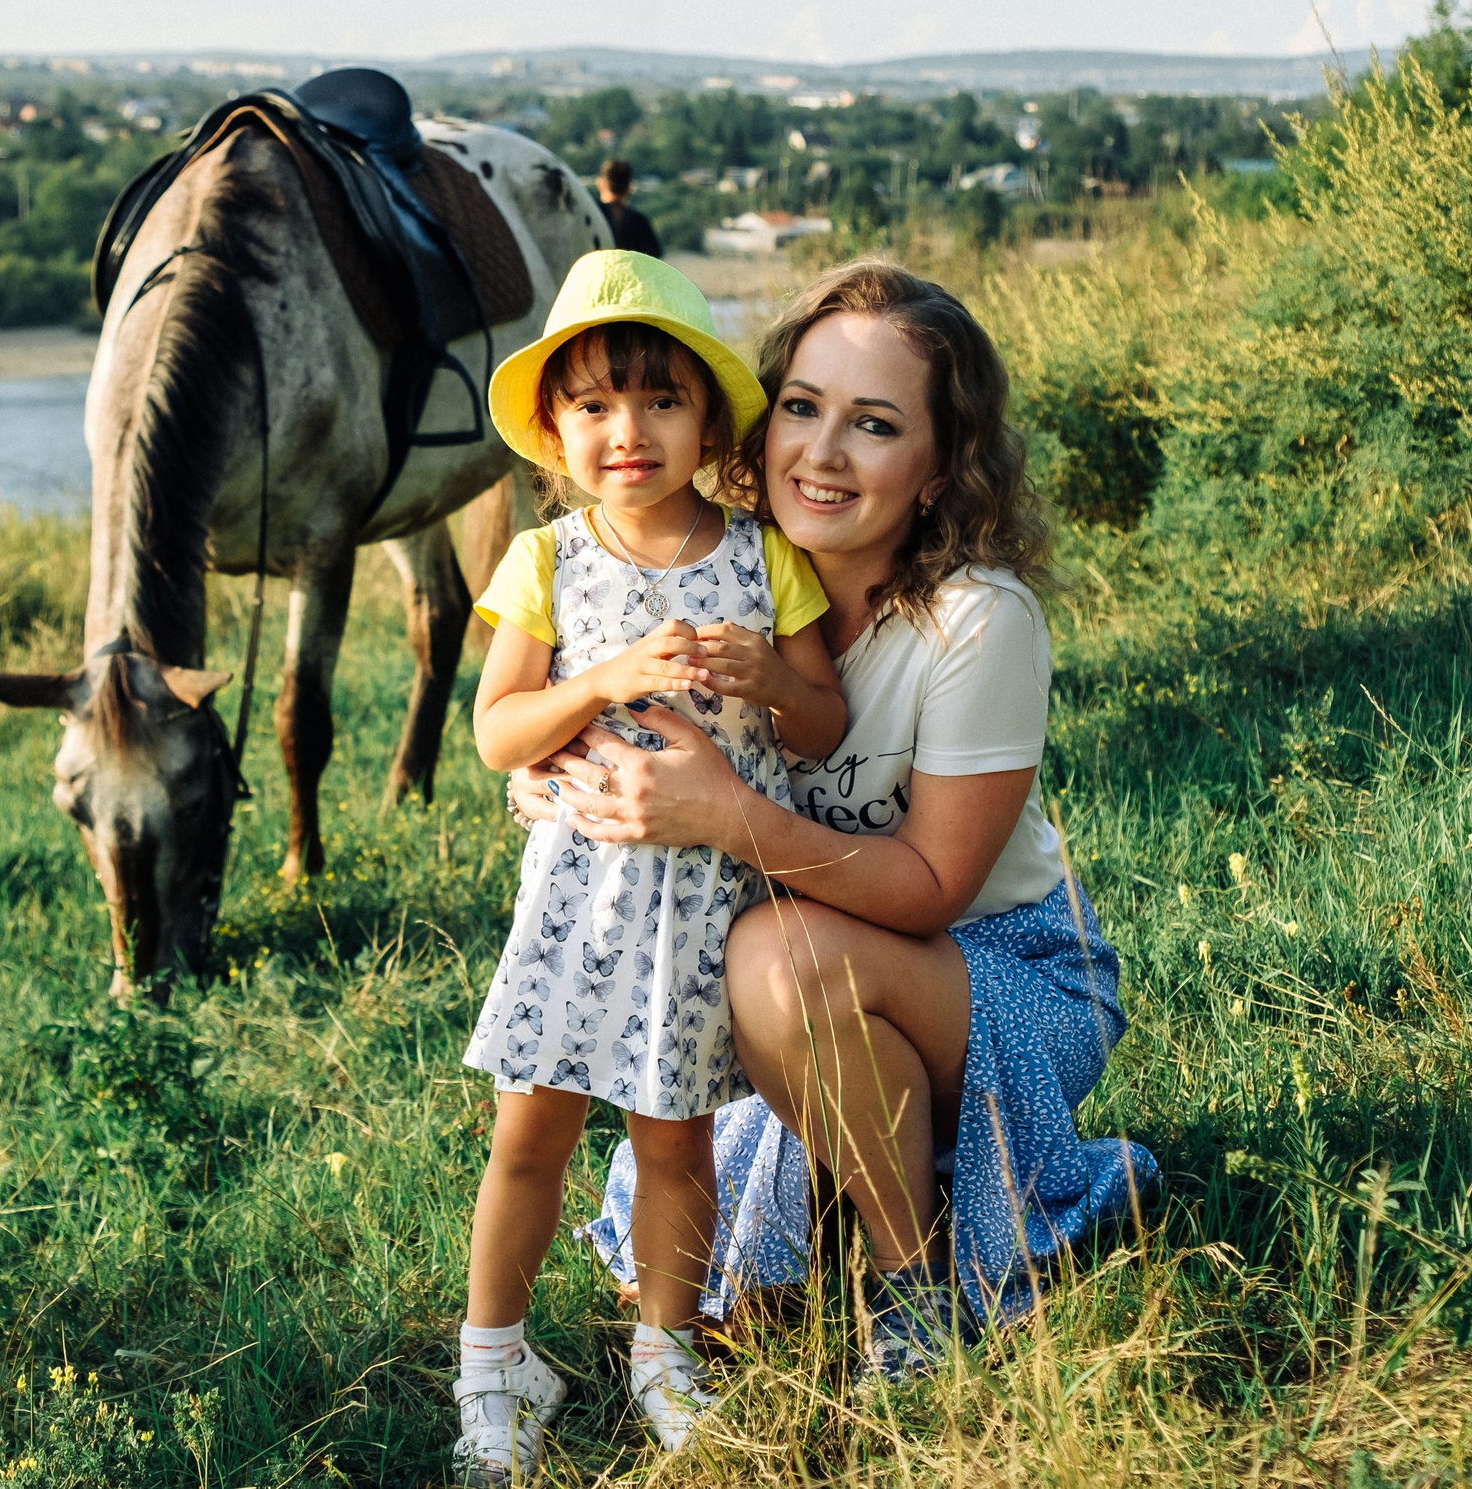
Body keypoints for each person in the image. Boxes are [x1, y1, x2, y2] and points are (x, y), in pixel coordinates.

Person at [513, 259, 1155, 1382]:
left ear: (939, 469)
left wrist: (727, 813)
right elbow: (585, 710)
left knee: (774, 952)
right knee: (766, 985)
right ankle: (876, 1186)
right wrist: (557, 775)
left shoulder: (978, 618)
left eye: (875, 424)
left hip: (1002, 967)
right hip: (798, 976)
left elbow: (932, 889)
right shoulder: (725, 575)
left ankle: (914, 1292)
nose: (821, 452)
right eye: (803, 408)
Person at [451, 249, 846, 1479]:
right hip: (577, 901)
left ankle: (664, 1351)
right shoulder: (547, 561)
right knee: (531, 1131)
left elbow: (820, 723)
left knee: (674, 1138)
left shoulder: (763, 557)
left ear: (707, 420)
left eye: (660, 399)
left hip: (707, 904)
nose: (627, 430)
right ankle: (495, 1363)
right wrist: (604, 679)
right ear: (556, 429)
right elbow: (497, 732)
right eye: (594, 404)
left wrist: (772, 679)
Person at [597, 159, 664, 257]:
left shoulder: (590, 218)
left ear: (600, 183)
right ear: (630, 187)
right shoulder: (639, 222)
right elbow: (654, 255)